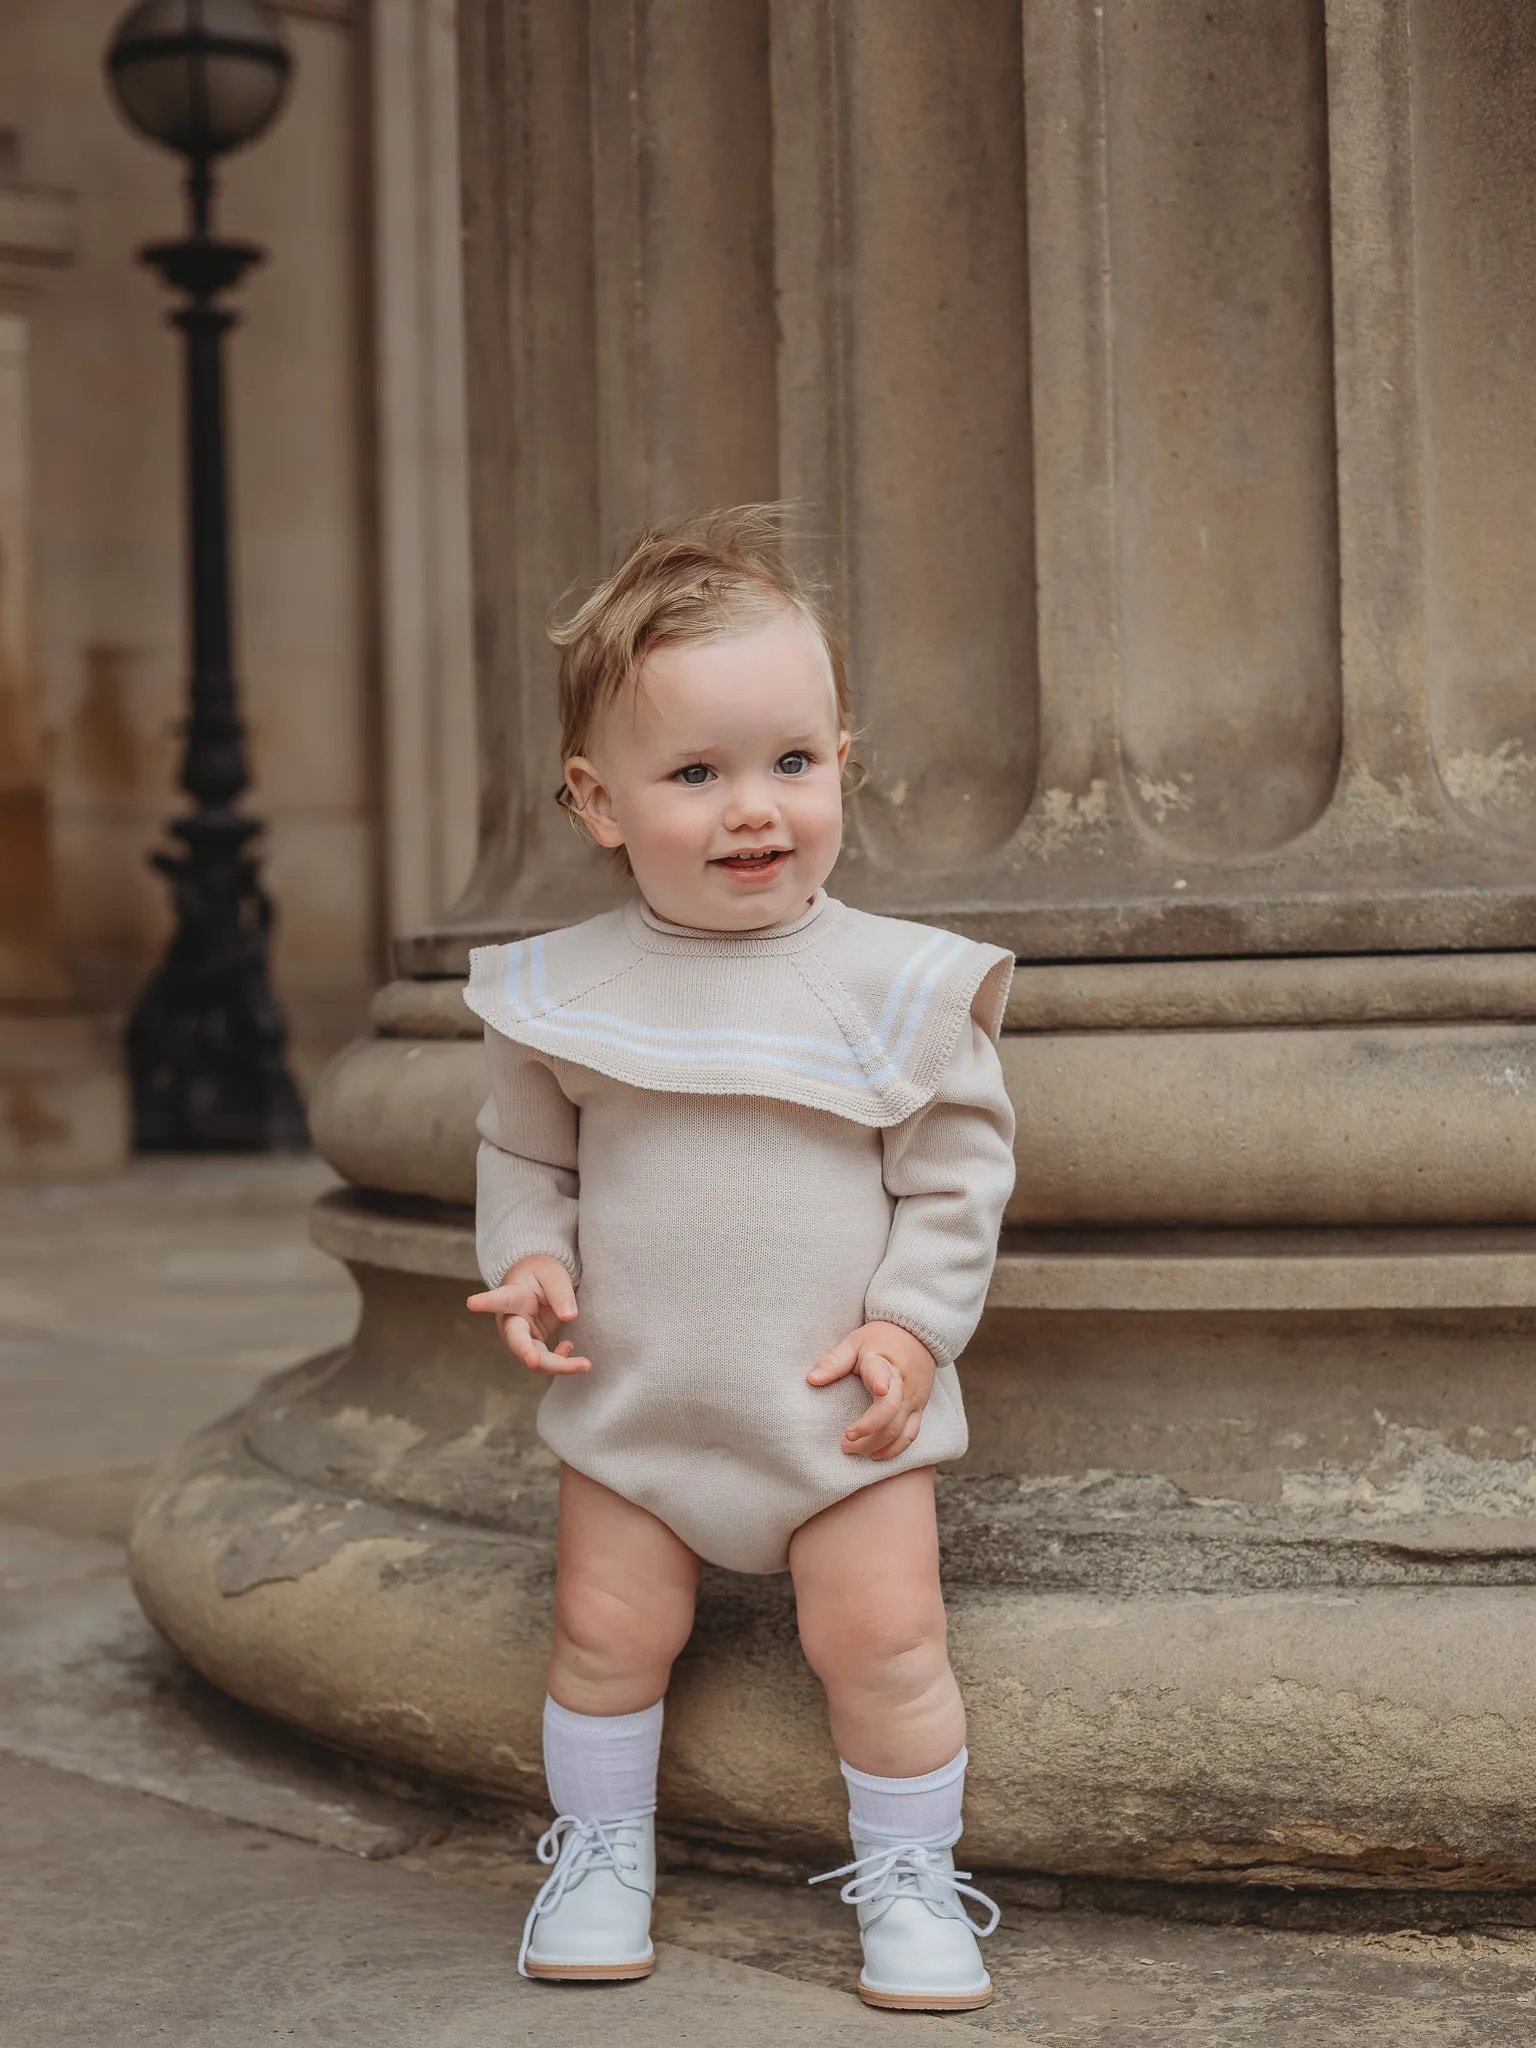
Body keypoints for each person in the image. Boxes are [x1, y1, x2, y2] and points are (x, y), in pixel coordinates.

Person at [465, 506, 1016, 2013]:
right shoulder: (564, 996)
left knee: (888, 1641)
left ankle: (910, 1878)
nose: (753, 809)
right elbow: (527, 1154)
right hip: (644, 1407)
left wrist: (911, 1331)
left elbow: (959, 1175)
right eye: (695, 775)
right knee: (601, 1631)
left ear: (844, 758)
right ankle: (599, 1851)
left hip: (839, 1414)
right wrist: (530, 1258)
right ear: (597, 799)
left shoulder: (891, 985)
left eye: (791, 762)